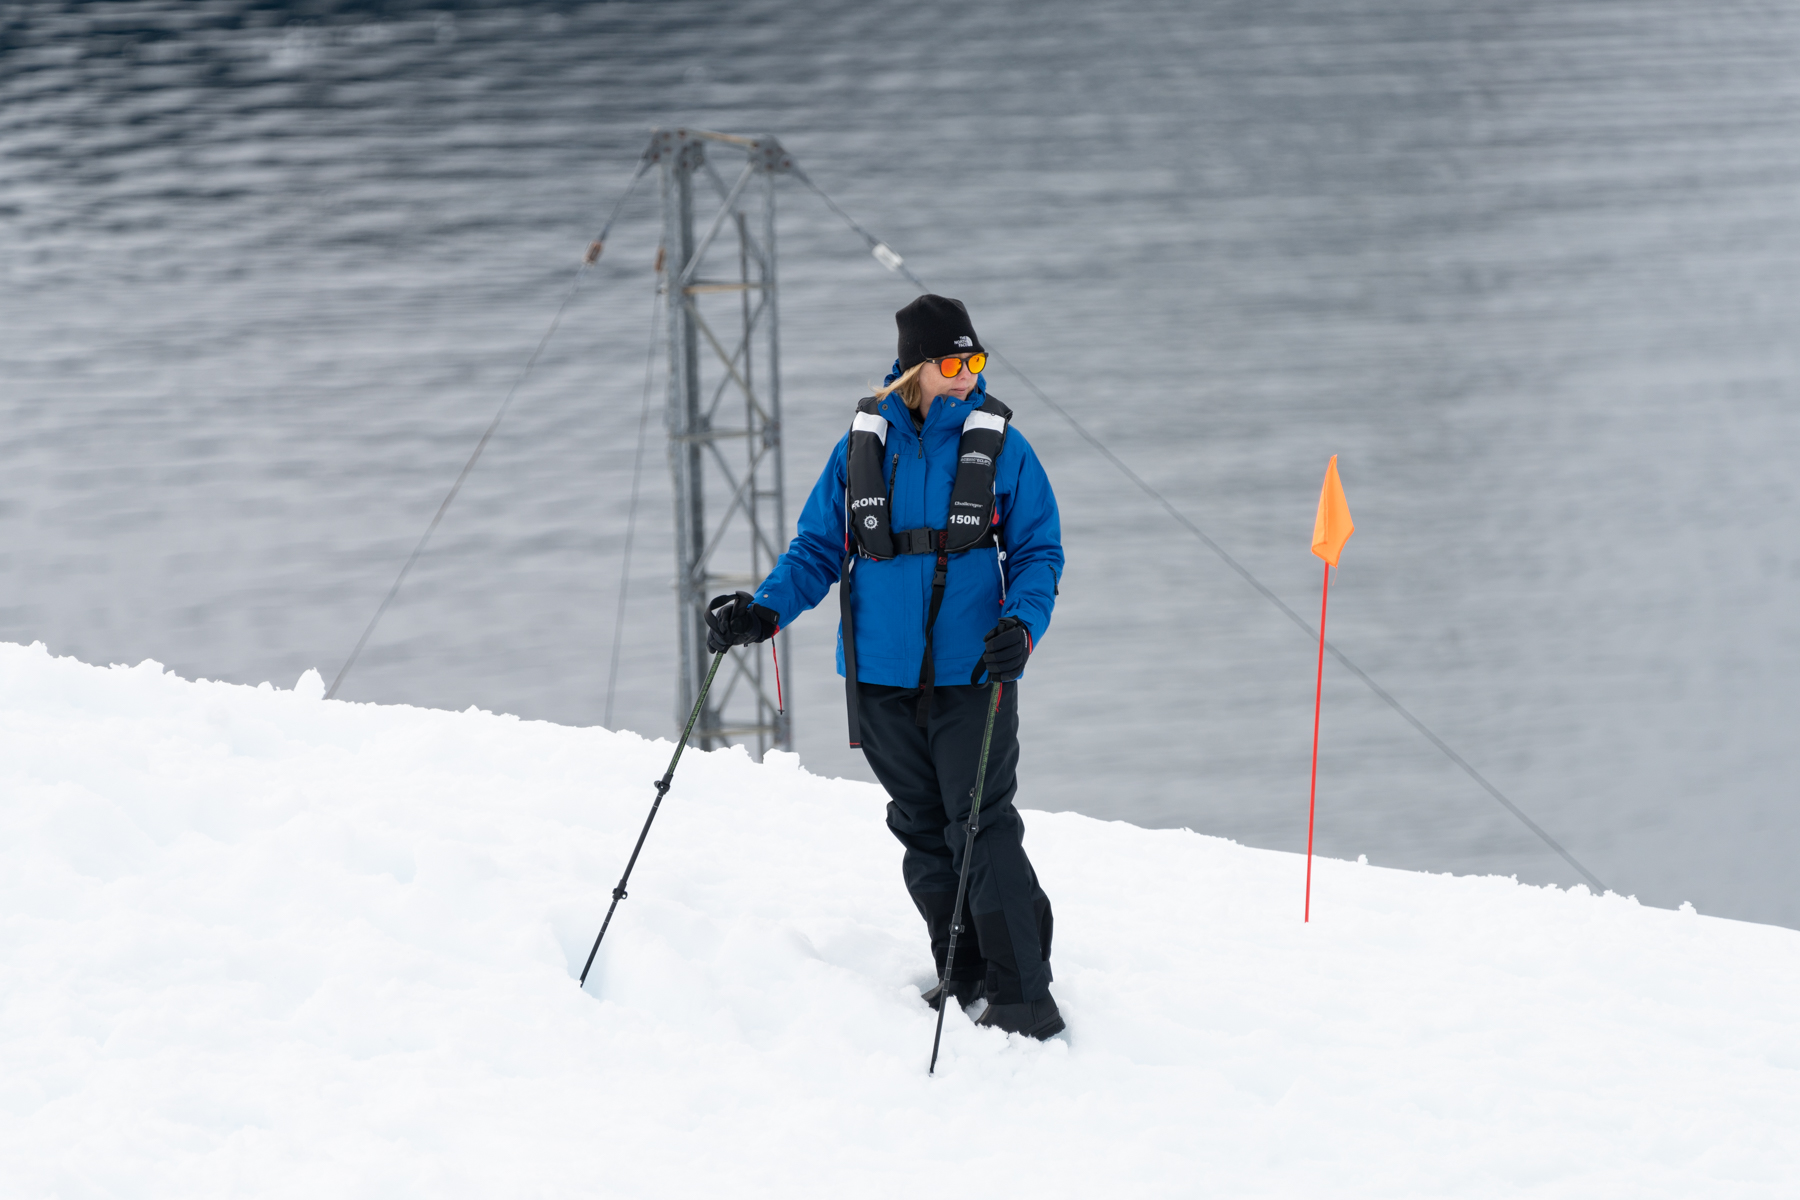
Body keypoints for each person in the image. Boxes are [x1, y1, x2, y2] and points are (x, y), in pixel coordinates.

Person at [704, 295, 1065, 1040]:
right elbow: (816, 550)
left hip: (974, 674)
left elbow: (1038, 553)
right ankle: (961, 971)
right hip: (880, 678)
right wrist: (763, 611)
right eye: (953, 363)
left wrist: (1021, 629)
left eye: (976, 362)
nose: (968, 377)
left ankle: (1025, 996)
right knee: (924, 827)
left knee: (980, 826)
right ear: (914, 369)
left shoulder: (1002, 449)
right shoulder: (862, 449)